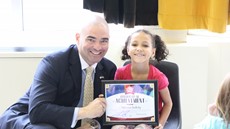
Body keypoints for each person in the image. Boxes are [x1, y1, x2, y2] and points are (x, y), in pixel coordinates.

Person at [0, 14, 117, 129]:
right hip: (27, 117)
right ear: (78, 38)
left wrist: (93, 126)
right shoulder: (54, 63)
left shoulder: (109, 68)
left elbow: (105, 113)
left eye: (104, 41)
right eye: (91, 39)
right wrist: (85, 112)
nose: (97, 47)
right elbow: (37, 111)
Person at [112, 29, 172, 129]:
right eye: (134, 44)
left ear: (153, 52)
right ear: (128, 50)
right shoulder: (120, 73)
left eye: (145, 45)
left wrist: (160, 124)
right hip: (126, 118)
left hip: (148, 121)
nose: (139, 48)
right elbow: (117, 99)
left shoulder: (158, 77)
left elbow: (168, 103)